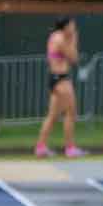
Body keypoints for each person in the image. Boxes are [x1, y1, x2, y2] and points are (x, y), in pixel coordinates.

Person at [35, 16, 85, 158]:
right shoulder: (61, 38)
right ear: (66, 26)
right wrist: (74, 39)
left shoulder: (55, 36)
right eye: (72, 25)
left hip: (57, 77)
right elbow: (73, 57)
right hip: (60, 78)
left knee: (53, 115)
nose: (74, 28)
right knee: (71, 112)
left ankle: (41, 147)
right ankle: (70, 148)